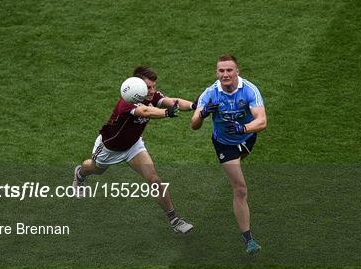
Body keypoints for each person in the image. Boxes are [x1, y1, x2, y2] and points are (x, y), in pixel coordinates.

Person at [73, 66, 194, 234]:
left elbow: (174, 101)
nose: (152, 91)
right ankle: (79, 174)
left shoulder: (153, 96)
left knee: (155, 180)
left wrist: (195, 105)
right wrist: (167, 113)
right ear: (138, 87)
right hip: (109, 148)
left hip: (133, 147)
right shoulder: (126, 102)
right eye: (148, 87)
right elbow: (145, 111)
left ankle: (175, 220)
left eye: (153, 86)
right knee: (94, 169)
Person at [190, 55, 267, 254]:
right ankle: (249, 240)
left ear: (237, 72)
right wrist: (203, 112)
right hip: (225, 145)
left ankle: (234, 174)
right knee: (240, 189)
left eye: (229, 70)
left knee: (237, 174)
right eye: (221, 71)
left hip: (247, 138)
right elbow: (194, 125)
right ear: (217, 73)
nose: (225, 74)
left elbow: (262, 122)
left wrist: (243, 129)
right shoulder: (210, 94)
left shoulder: (250, 90)